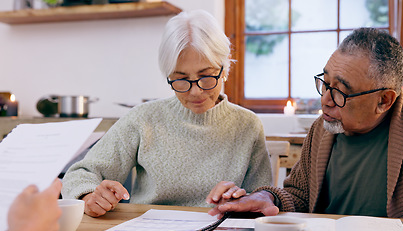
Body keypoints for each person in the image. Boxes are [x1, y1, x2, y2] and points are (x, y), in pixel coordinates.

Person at [208, 27, 403, 220]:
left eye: (341, 92)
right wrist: (266, 197)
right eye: (325, 83)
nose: (325, 100)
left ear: (384, 100)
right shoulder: (322, 128)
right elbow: (299, 196)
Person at [62, 10, 272, 217]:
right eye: (181, 79)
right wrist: (89, 196)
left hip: (218, 230)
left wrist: (242, 201)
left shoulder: (247, 125)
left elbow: (262, 199)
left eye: (206, 76)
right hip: (148, 230)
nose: (195, 91)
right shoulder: (144, 118)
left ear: (224, 69)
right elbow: (80, 174)